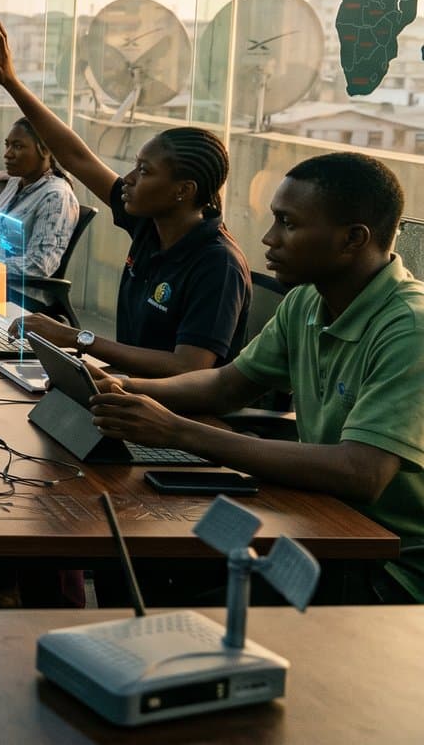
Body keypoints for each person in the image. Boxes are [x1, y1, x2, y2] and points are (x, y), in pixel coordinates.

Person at [90, 153, 424, 604]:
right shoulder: (306, 300)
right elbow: (227, 384)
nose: (269, 239)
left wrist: (178, 431)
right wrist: (126, 388)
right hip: (318, 521)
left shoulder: (409, 330)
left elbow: (361, 472)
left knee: (183, 606)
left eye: (288, 223)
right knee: (133, 555)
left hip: (386, 566)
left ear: (352, 240)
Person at [0, 17, 249, 375]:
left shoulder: (217, 264)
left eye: (144, 172)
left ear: (182, 191)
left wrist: (79, 340)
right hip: (124, 390)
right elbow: (76, 157)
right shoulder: (149, 224)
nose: (127, 179)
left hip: (170, 415)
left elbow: (188, 367)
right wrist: (12, 85)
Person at [0, 118, 81, 281]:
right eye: (7, 145)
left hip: (17, 292)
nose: (7, 154)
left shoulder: (56, 197)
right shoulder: (16, 181)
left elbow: (39, 264)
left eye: (17, 146)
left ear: (45, 150)